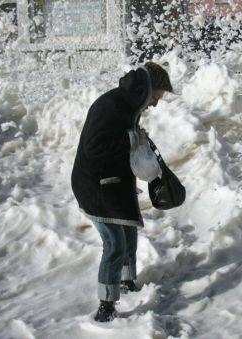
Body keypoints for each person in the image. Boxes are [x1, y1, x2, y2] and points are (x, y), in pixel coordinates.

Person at [71, 62, 173, 322]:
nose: (155, 104)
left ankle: (126, 283)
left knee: (128, 232)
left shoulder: (127, 105)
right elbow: (95, 147)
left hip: (114, 182)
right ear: (146, 89)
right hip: (95, 185)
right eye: (155, 97)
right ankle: (106, 306)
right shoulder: (112, 106)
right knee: (114, 243)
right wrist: (130, 140)